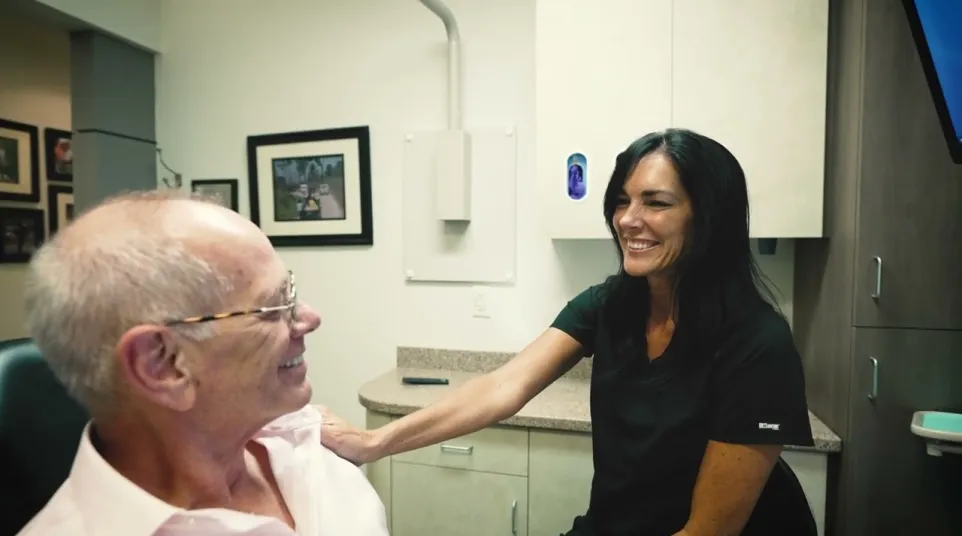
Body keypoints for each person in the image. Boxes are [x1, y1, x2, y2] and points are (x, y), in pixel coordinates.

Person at [320, 129, 816, 536]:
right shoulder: (611, 305)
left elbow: (708, 531)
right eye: (622, 201)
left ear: (707, 218)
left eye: (656, 203)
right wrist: (373, 442)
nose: (628, 219)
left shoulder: (757, 344)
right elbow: (502, 386)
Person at [17, 191, 389, 535]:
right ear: (164, 364)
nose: (309, 318)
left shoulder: (302, 438)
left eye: (290, 290)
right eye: (274, 306)